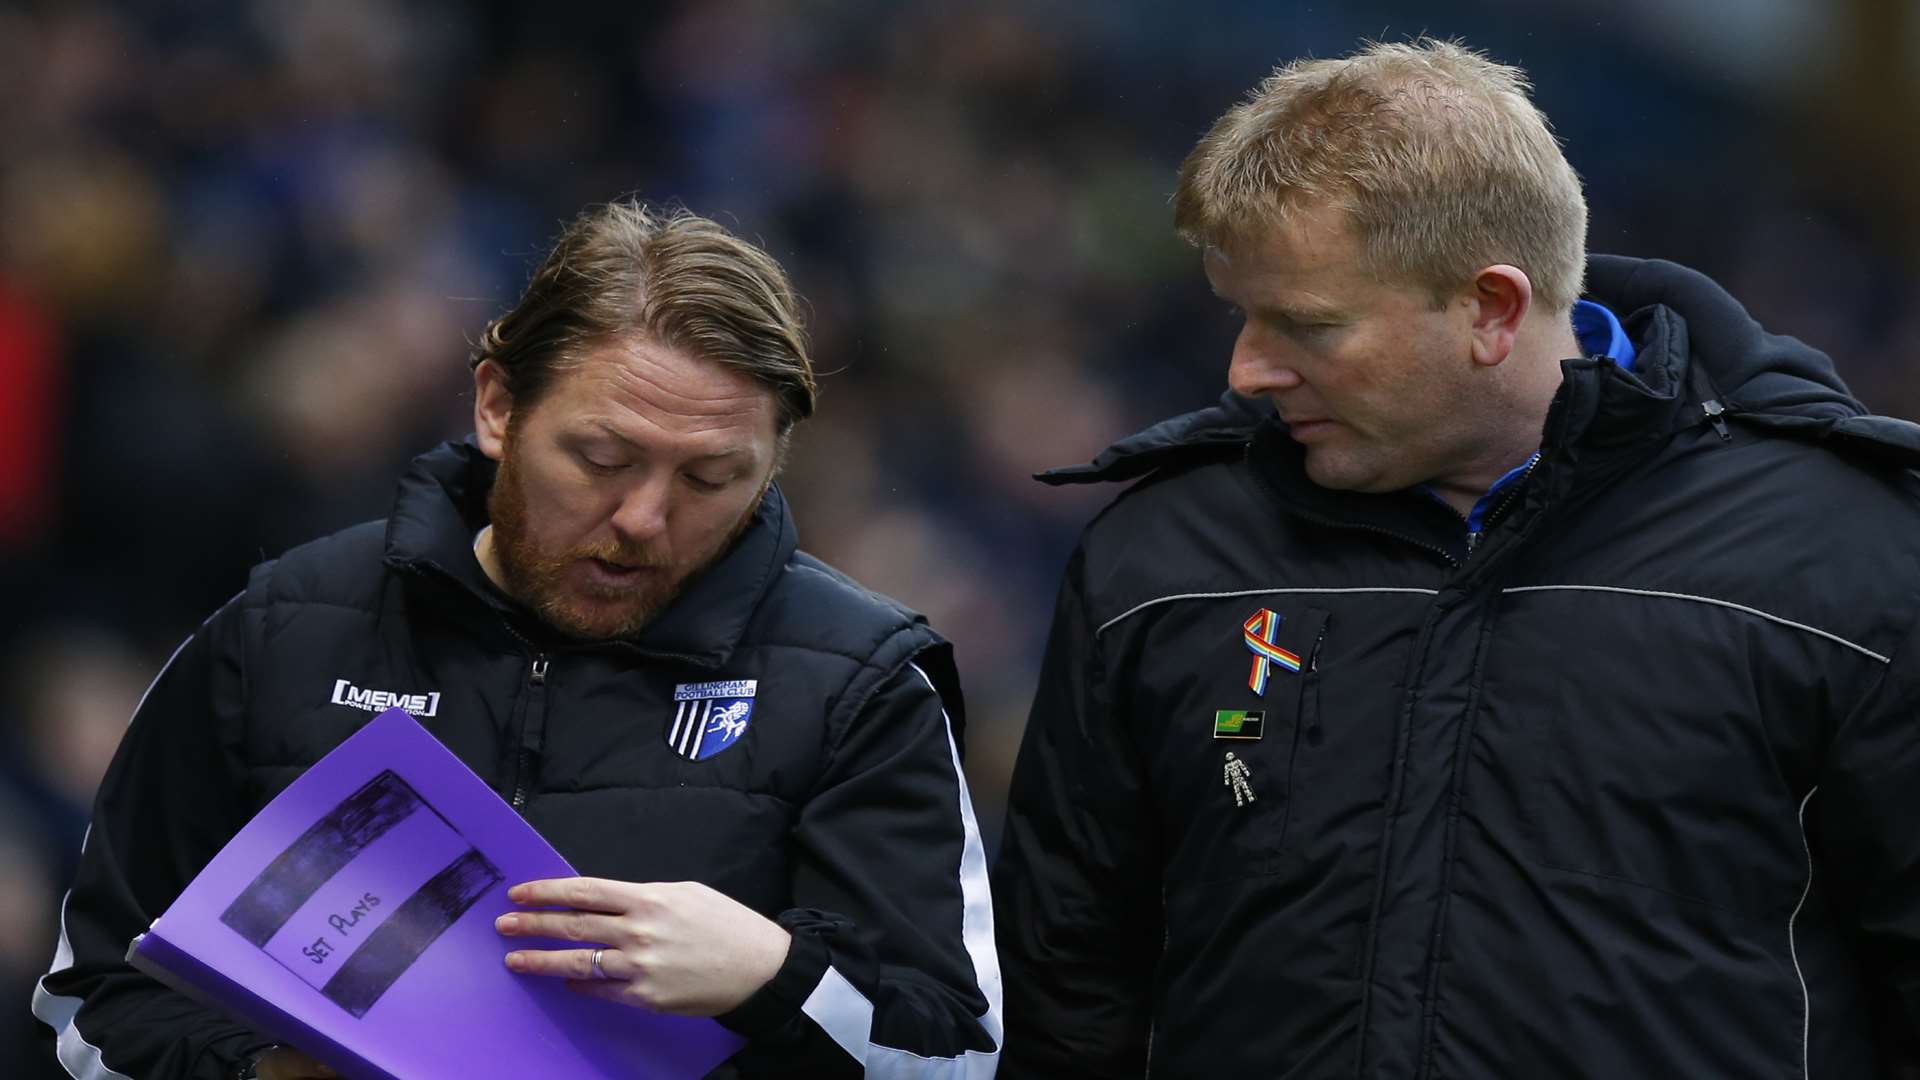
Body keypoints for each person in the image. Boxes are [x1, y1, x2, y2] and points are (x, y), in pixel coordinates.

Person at [993, 38, 1920, 1078]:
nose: (1246, 370)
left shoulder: (1851, 558)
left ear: (1491, 309)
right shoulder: (1164, 557)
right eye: (1241, 315)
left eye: (1307, 325)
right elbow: (1066, 983)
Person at [34, 201, 1002, 1079]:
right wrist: (261, 1077)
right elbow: (92, 1000)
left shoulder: (861, 687)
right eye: (601, 457)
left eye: (712, 480)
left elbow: (957, 1058)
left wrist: (773, 975)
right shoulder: (279, 632)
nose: (643, 518)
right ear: (497, 405)